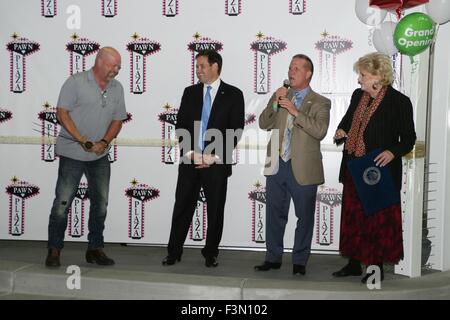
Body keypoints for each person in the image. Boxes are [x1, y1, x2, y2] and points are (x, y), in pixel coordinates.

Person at [332, 52, 416, 283]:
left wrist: (392, 152)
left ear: (378, 76)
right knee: (353, 219)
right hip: (353, 166)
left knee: (376, 221)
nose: (359, 79)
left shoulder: (399, 102)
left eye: (363, 74)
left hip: (379, 172)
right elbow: (347, 122)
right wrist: (341, 132)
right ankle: (353, 264)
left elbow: (408, 139)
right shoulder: (357, 96)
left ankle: (375, 268)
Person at [45, 47, 127, 267]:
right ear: (99, 61)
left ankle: (95, 248)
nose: (117, 70)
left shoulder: (117, 88)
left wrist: (104, 143)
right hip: (72, 153)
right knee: (62, 203)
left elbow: (118, 120)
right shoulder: (75, 82)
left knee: (100, 204)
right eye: (113, 65)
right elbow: (62, 113)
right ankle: (54, 250)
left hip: (100, 156)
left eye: (119, 66)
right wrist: (82, 139)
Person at [162, 50, 245, 268]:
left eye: (202, 66)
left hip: (216, 163)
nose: (197, 70)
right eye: (196, 66)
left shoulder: (234, 94)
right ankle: (174, 251)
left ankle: (211, 253)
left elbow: (235, 129)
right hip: (190, 160)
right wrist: (191, 153)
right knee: (182, 206)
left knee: (215, 210)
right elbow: (181, 125)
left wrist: (213, 157)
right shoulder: (189, 92)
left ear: (215, 66)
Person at [255, 54, 331, 275]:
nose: (291, 72)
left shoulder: (320, 102)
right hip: (276, 163)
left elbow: (320, 130)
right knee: (274, 214)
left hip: (304, 167)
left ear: (308, 73)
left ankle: (300, 261)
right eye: (290, 68)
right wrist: (275, 102)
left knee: (305, 216)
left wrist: (295, 111)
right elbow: (263, 123)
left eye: (296, 68)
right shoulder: (280, 96)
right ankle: (272, 258)